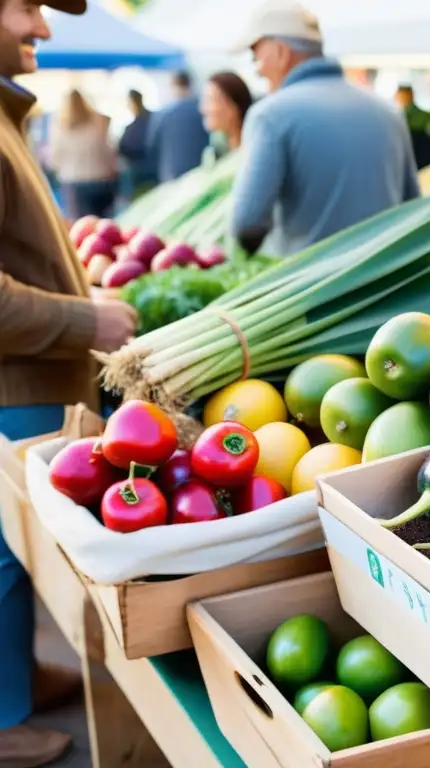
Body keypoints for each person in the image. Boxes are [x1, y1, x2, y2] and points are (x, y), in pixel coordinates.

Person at [0, 1, 137, 765]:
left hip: (32, 380)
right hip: (14, 384)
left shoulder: (6, 115)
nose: (44, 28)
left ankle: (14, 681)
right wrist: (88, 322)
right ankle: (1, 719)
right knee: (1, 555)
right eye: (24, 5)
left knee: (16, 554)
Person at [230, 0, 419, 256]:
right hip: (384, 286)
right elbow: (413, 207)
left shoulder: (270, 115)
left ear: (280, 52)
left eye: (256, 55)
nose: (257, 68)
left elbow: (247, 224)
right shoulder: (388, 112)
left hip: (312, 290)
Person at [46, 89, 118, 218]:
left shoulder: (59, 125)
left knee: (80, 228)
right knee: (103, 226)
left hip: (73, 182)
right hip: (100, 180)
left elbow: (55, 159)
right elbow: (109, 152)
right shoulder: (99, 122)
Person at [147, 70, 210, 183]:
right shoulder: (201, 109)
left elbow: (151, 144)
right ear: (189, 84)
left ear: (172, 85)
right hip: (199, 173)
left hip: (170, 174)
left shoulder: (162, 114)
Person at [200, 71, 254, 155]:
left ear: (233, 108)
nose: (203, 109)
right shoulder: (217, 146)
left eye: (210, 100)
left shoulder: (251, 151)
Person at [118, 89, 157, 195]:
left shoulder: (133, 128)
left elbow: (122, 148)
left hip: (141, 173)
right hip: (153, 171)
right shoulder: (154, 120)